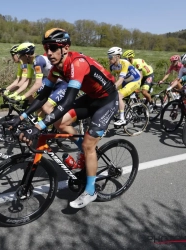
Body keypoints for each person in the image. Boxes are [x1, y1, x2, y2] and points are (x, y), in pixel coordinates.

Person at [7, 28, 118, 208]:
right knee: (60, 122)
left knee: (89, 144)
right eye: (46, 48)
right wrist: (22, 117)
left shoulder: (77, 63)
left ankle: (90, 191)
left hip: (107, 100)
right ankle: (83, 152)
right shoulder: (57, 68)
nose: (48, 53)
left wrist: (39, 127)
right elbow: (42, 96)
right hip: (91, 97)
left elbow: (67, 102)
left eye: (52, 47)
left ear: (65, 48)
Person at [108, 47, 141, 126]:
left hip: (135, 80)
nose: (109, 59)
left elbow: (120, 80)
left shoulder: (124, 63)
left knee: (119, 95)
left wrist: (112, 87)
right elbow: (108, 77)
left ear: (118, 56)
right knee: (111, 93)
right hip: (126, 81)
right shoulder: (112, 66)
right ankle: (122, 108)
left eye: (110, 57)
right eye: (108, 56)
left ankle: (122, 118)